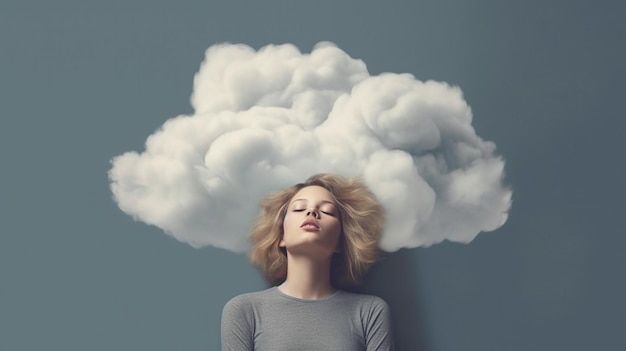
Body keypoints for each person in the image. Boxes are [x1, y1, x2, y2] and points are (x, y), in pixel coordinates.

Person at [221, 174, 395, 350]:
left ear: (340, 242)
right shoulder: (245, 310)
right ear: (281, 236)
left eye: (327, 211)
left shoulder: (369, 312)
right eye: (298, 209)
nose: (312, 212)